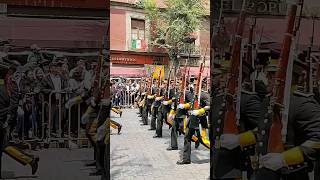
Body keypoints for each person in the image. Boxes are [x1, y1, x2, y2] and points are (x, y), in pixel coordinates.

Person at [0, 62, 39, 178]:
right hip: (6, 120)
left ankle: (30, 160)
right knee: (4, 146)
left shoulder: (9, 86)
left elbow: (12, 106)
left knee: (4, 146)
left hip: (3, 121)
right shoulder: (10, 85)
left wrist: (7, 121)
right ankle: (30, 160)